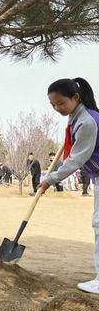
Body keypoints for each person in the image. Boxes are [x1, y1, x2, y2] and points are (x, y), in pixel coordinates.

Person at [38, 77, 99, 294]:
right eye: (53, 105)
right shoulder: (78, 118)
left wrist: (50, 179)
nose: (57, 108)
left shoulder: (87, 122)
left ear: (76, 97)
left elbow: (76, 160)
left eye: (61, 103)